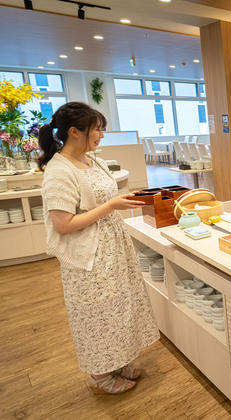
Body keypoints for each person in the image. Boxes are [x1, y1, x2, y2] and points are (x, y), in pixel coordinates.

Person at [38, 102, 160, 395]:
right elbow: (63, 224)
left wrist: (123, 198)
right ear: (74, 132)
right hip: (89, 255)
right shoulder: (59, 171)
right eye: (98, 129)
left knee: (120, 307)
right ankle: (99, 373)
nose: (102, 135)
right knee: (96, 314)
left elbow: (105, 197)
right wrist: (111, 205)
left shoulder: (95, 161)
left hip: (114, 249)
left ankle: (118, 359)